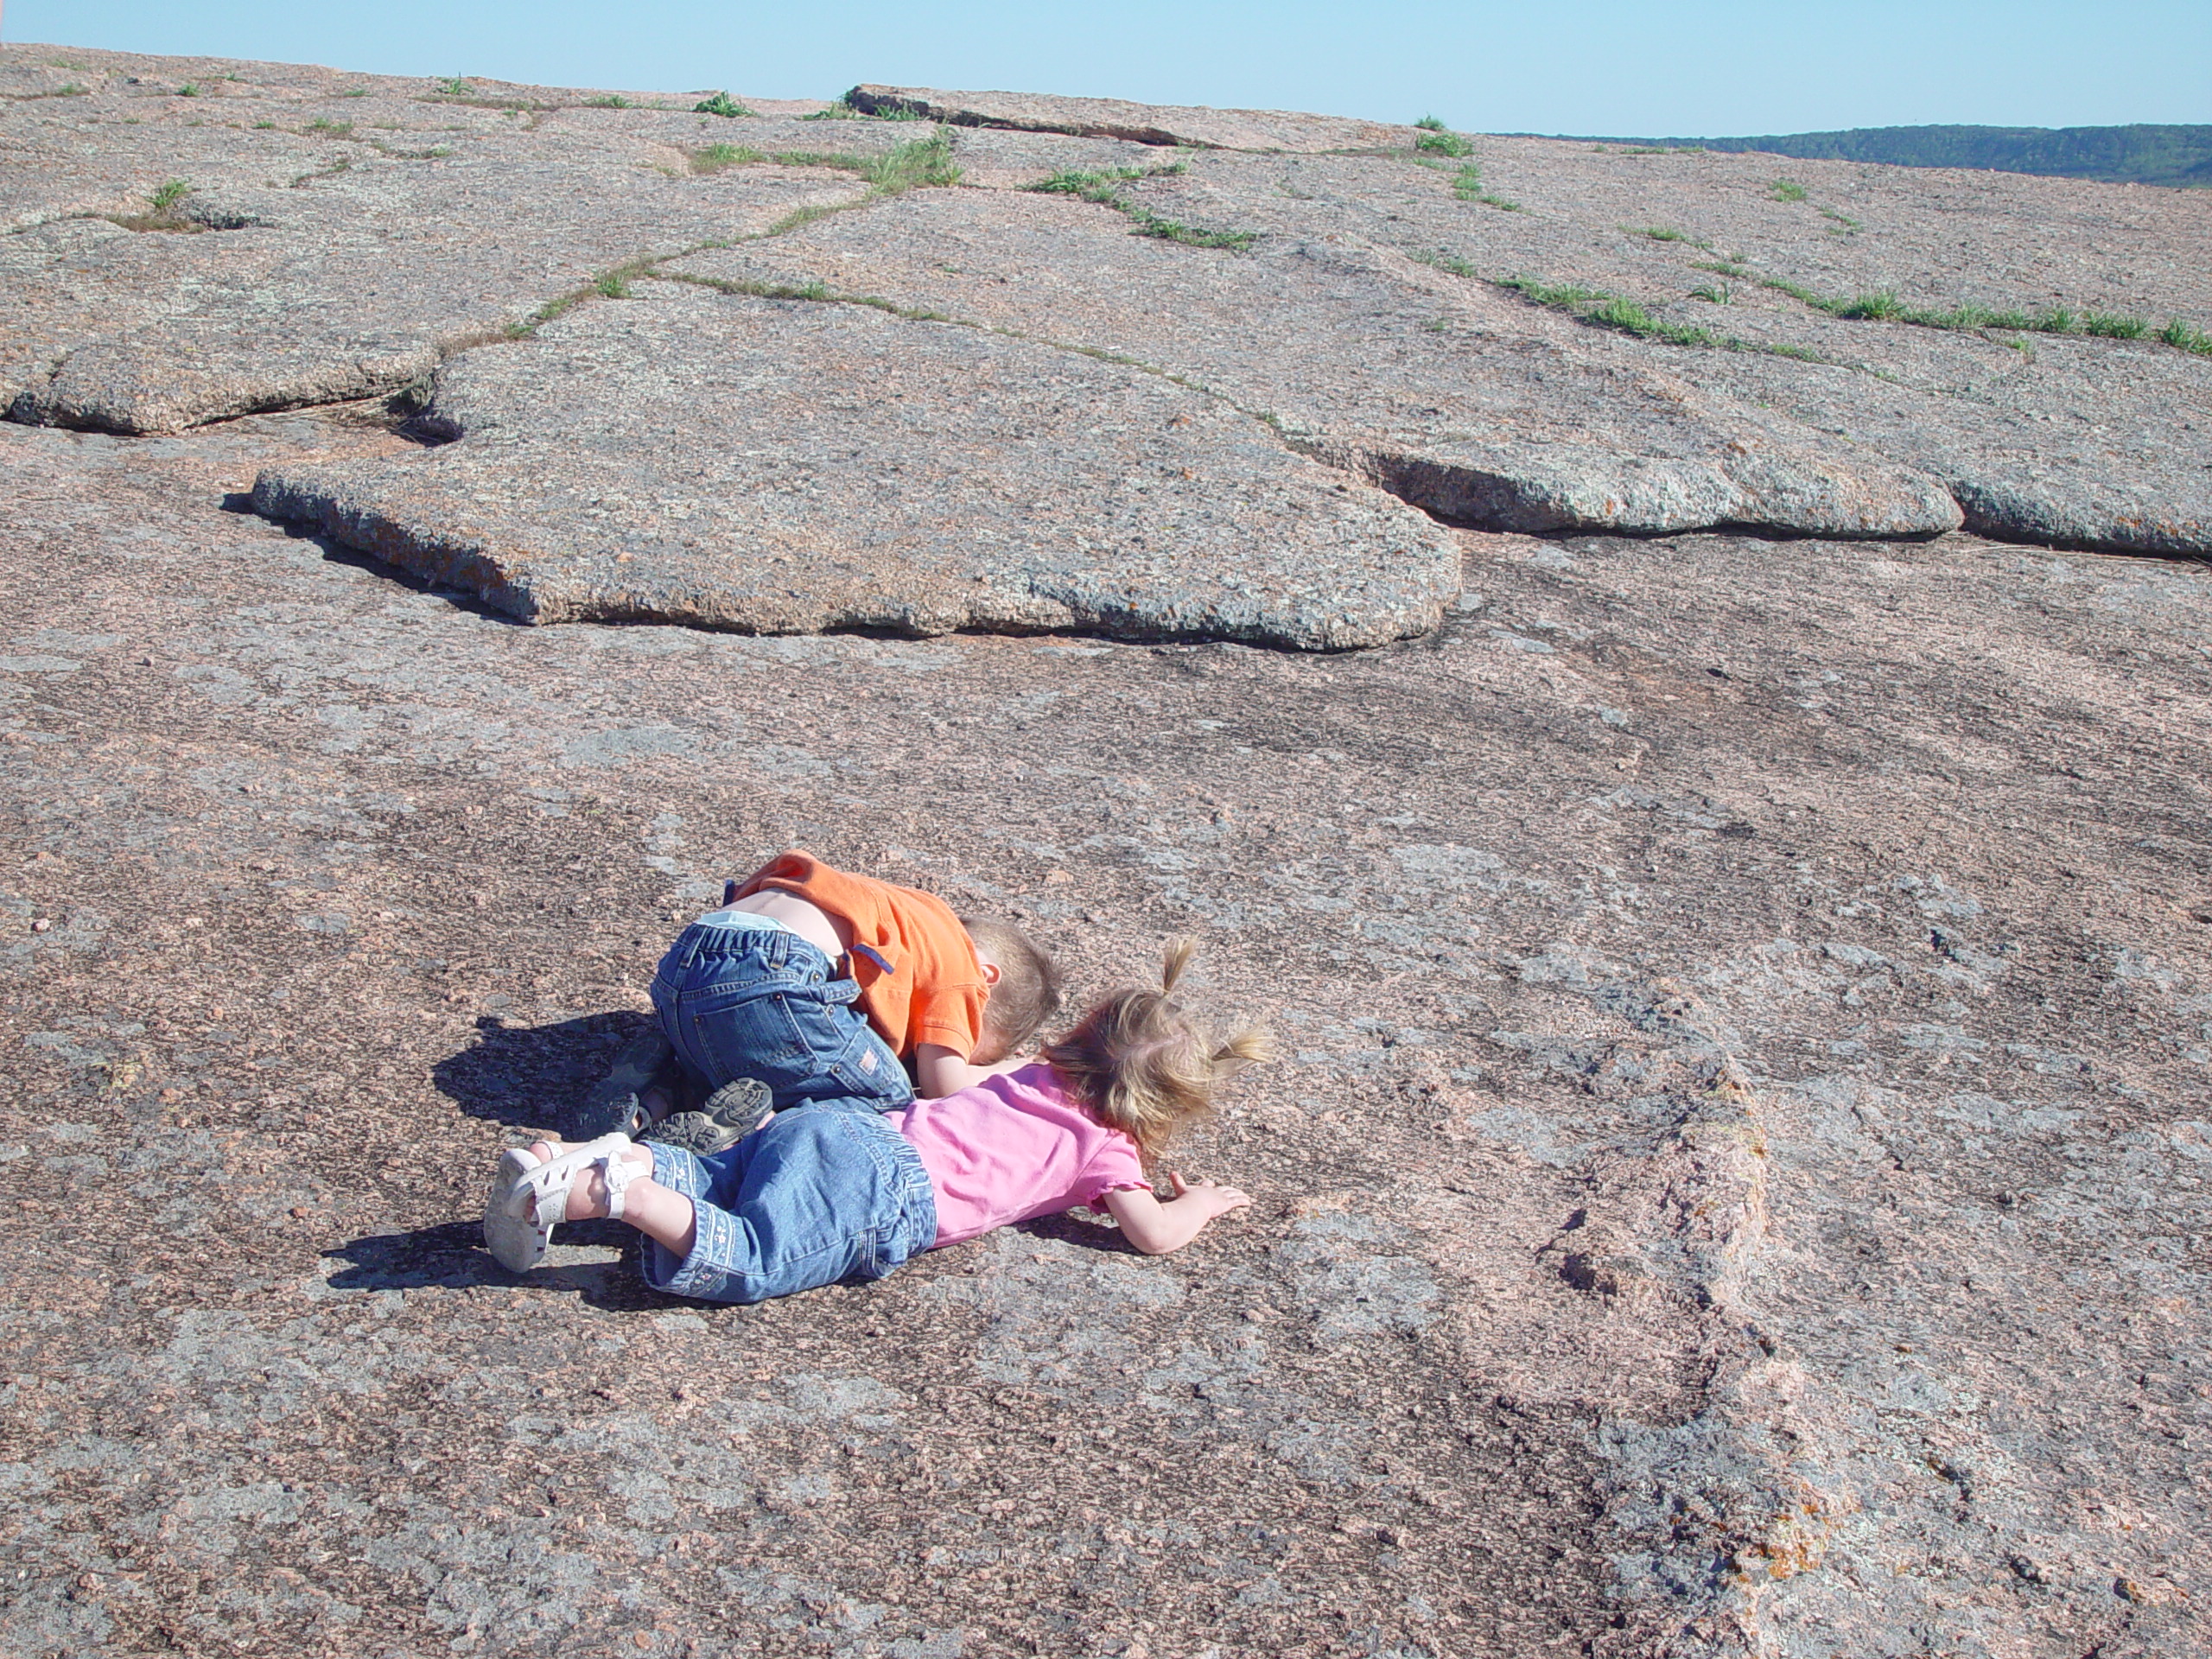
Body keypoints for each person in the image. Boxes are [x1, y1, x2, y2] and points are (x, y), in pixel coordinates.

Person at [485, 941, 1266, 1296]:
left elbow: (956, 1092)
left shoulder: (1030, 1074)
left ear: (1077, 1042)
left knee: (719, 1174)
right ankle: (625, 1192)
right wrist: (1202, 1201)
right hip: (887, 1187)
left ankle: (581, 1172)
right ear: (1160, 1109)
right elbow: (1152, 1235)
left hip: (856, 1123)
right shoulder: (1110, 1152)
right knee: (753, 1252)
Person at [584, 849, 1062, 1153]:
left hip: (689, 960)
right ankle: (742, 1137)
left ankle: (654, 1094)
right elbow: (946, 1087)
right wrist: (1016, 1070)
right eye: (960, 1038)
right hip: (772, 973)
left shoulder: (905, 914)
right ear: (986, 977)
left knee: (756, 1056)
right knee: (890, 1096)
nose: (924, 1049)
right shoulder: (959, 965)